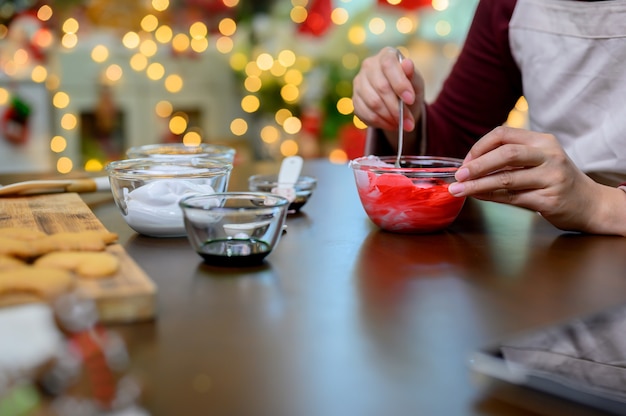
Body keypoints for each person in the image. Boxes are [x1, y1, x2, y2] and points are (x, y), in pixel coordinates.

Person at [352, 0, 626, 236]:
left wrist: (599, 205)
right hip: (558, 251)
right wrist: (401, 115)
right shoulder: (508, 6)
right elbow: (456, 147)